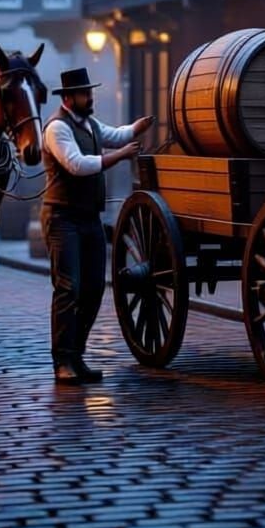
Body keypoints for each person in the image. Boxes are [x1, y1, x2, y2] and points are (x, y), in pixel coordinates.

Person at [41, 67, 153, 385]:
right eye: (84, 93)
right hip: (62, 218)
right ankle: (62, 361)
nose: (90, 98)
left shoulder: (88, 123)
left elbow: (115, 135)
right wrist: (118, 157)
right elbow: (77, 165)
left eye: (89, 92)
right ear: (68, 98)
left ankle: (76, 355)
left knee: (92, 290)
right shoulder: (56, 129)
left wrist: (137, 127)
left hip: (88, 217)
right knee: (68, 289)